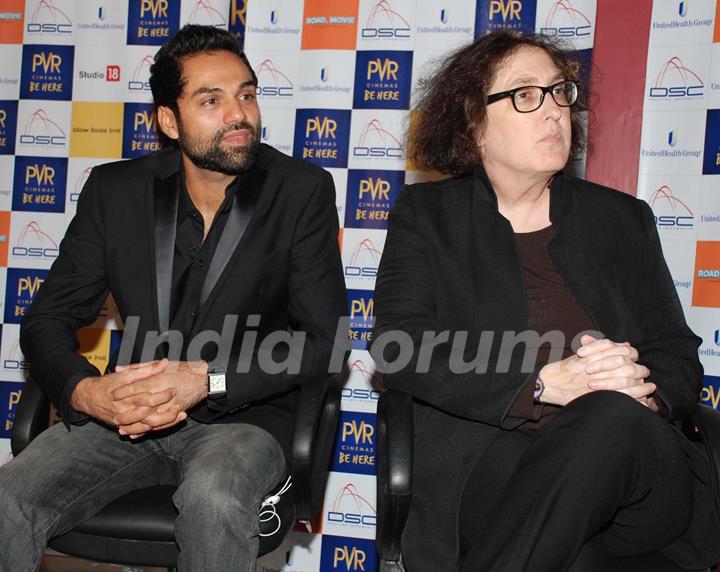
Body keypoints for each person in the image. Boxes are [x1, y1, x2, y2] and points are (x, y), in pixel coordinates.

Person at [0, 25, 346, 572]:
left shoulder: (300, 191)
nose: (239, 114)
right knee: (7, 500)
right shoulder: (114, 192)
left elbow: (325, 341)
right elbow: (47, 318)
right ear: (168, 120)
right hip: (125, 418)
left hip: (243, 419)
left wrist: (206, 379)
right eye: (212, 100)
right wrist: (88, 394)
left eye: (247, 94)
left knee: (214, 499)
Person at [373, 31, 718, 571]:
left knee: (609, 414)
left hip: (641, 469)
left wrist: (641, 390)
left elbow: (675, 350)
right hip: (494, 455)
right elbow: (400, 349)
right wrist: (540, 384)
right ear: (474, 125)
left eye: (559, 92)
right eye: (525, 95)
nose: (553, 111)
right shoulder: (427, 217)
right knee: (576, 556)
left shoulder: (622, 219)